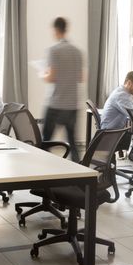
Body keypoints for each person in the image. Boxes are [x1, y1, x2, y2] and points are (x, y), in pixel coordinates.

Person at [43, 17, 83, 162]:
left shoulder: (54, 50)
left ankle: (42, 171)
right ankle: (79, 172)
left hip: (56, 103)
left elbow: (52, 77)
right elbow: (81, 77)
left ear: (56, 30)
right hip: (72, 104)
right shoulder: (77, 51)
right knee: (73, 142)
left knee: (45, 141)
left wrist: (43, 75)